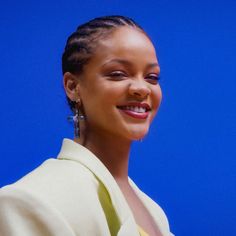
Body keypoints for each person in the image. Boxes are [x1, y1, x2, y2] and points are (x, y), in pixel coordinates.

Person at [0, 15, 174, 236]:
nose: (142, 88)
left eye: (152, 77)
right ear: (72, 86)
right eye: (118, 74)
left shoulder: (154, 211)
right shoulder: (32, 200)